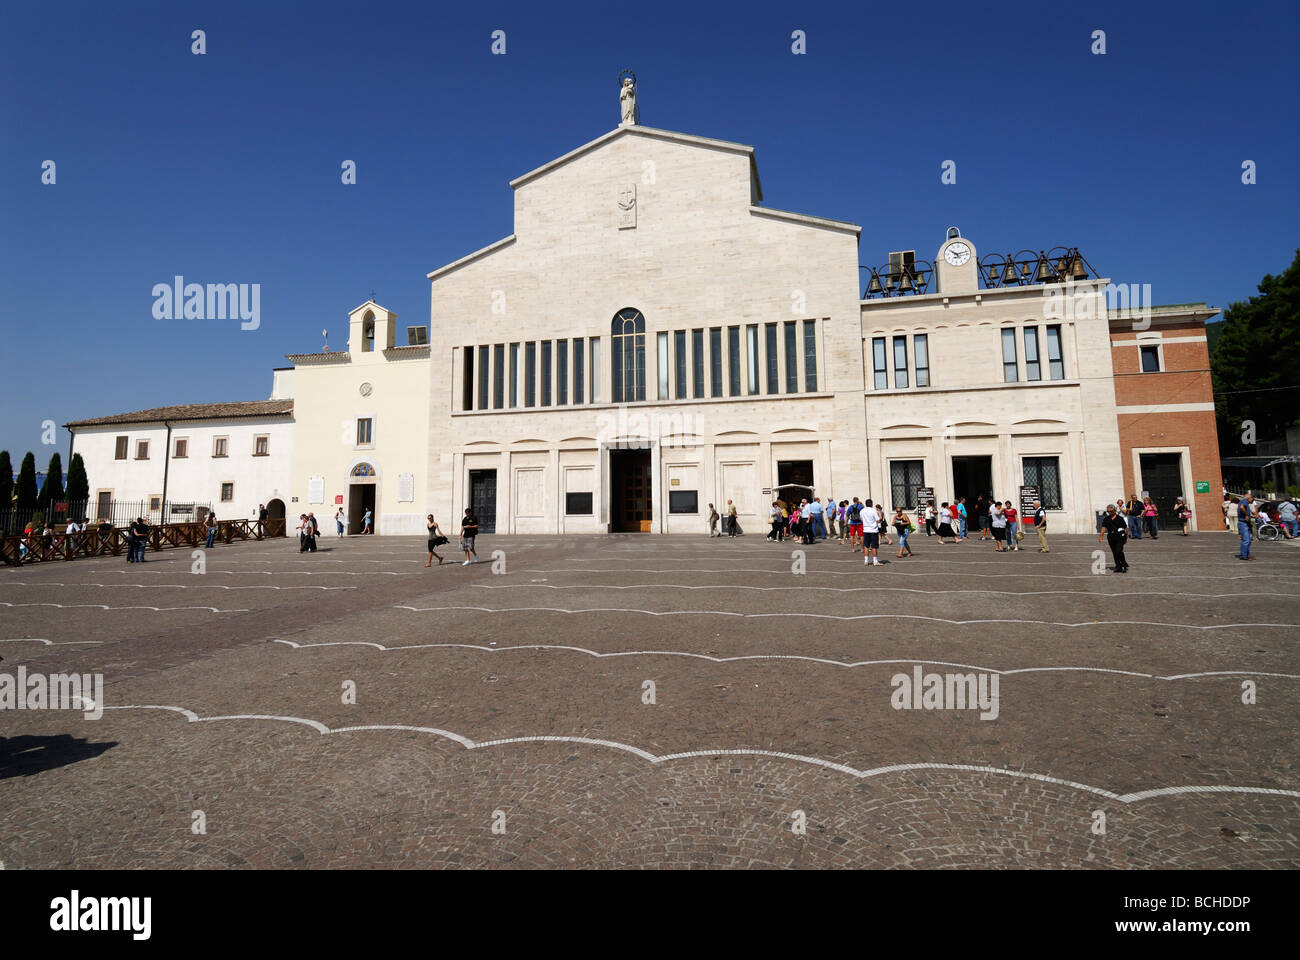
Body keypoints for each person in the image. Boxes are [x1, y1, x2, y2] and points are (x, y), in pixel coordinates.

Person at [1099, 503, 1129, 573]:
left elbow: (1125, 529)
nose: (1109, 513)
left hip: (1119, 538)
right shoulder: (1106, 519)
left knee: (1119, 551)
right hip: (1111, 537)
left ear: (1115, 511)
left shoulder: (1120, 518)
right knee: (1114, 552)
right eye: (1108, 511)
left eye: (1111, 511)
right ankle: (1118, 566)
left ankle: (1124, 565)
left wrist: (1125, 538)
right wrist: (1101, 536)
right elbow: (1103, 528)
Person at [861, 498, 882, 566]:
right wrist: (880, 515)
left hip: (866, 530)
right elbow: (878, 520)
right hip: (873, 530)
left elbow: (862, 520)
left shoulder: (862, 511)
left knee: (866, 546)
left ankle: (866, 561)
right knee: (874, 546)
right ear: (871, 504)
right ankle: (875, 561)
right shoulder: (873, 511)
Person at [1236, 494, 1254, 560]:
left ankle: (1246, 555)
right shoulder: (1244, 502)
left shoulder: (1243, 502)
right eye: (1252, 498)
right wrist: (1246, 515)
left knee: (1248, 541)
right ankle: (1243, 555)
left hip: (1244, 523)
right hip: (1243, 523)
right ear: (1248, 498)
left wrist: (1250, 516)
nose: (1253, 499)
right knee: (1246, 540)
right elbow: (1241, 507)